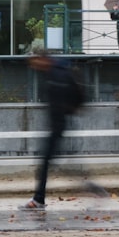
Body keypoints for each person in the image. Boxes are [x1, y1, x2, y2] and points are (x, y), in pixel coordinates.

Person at [20, 53, 84, 211]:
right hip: (56, 125)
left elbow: (73, 98)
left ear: (42, 59)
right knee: (51, 163)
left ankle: (39, 199)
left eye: (35, 62)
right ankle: (39, 199)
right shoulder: (51, 74)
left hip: (58, 125)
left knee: (48, 163)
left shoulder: (57, 74)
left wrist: (64, 112)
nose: (34, 67)